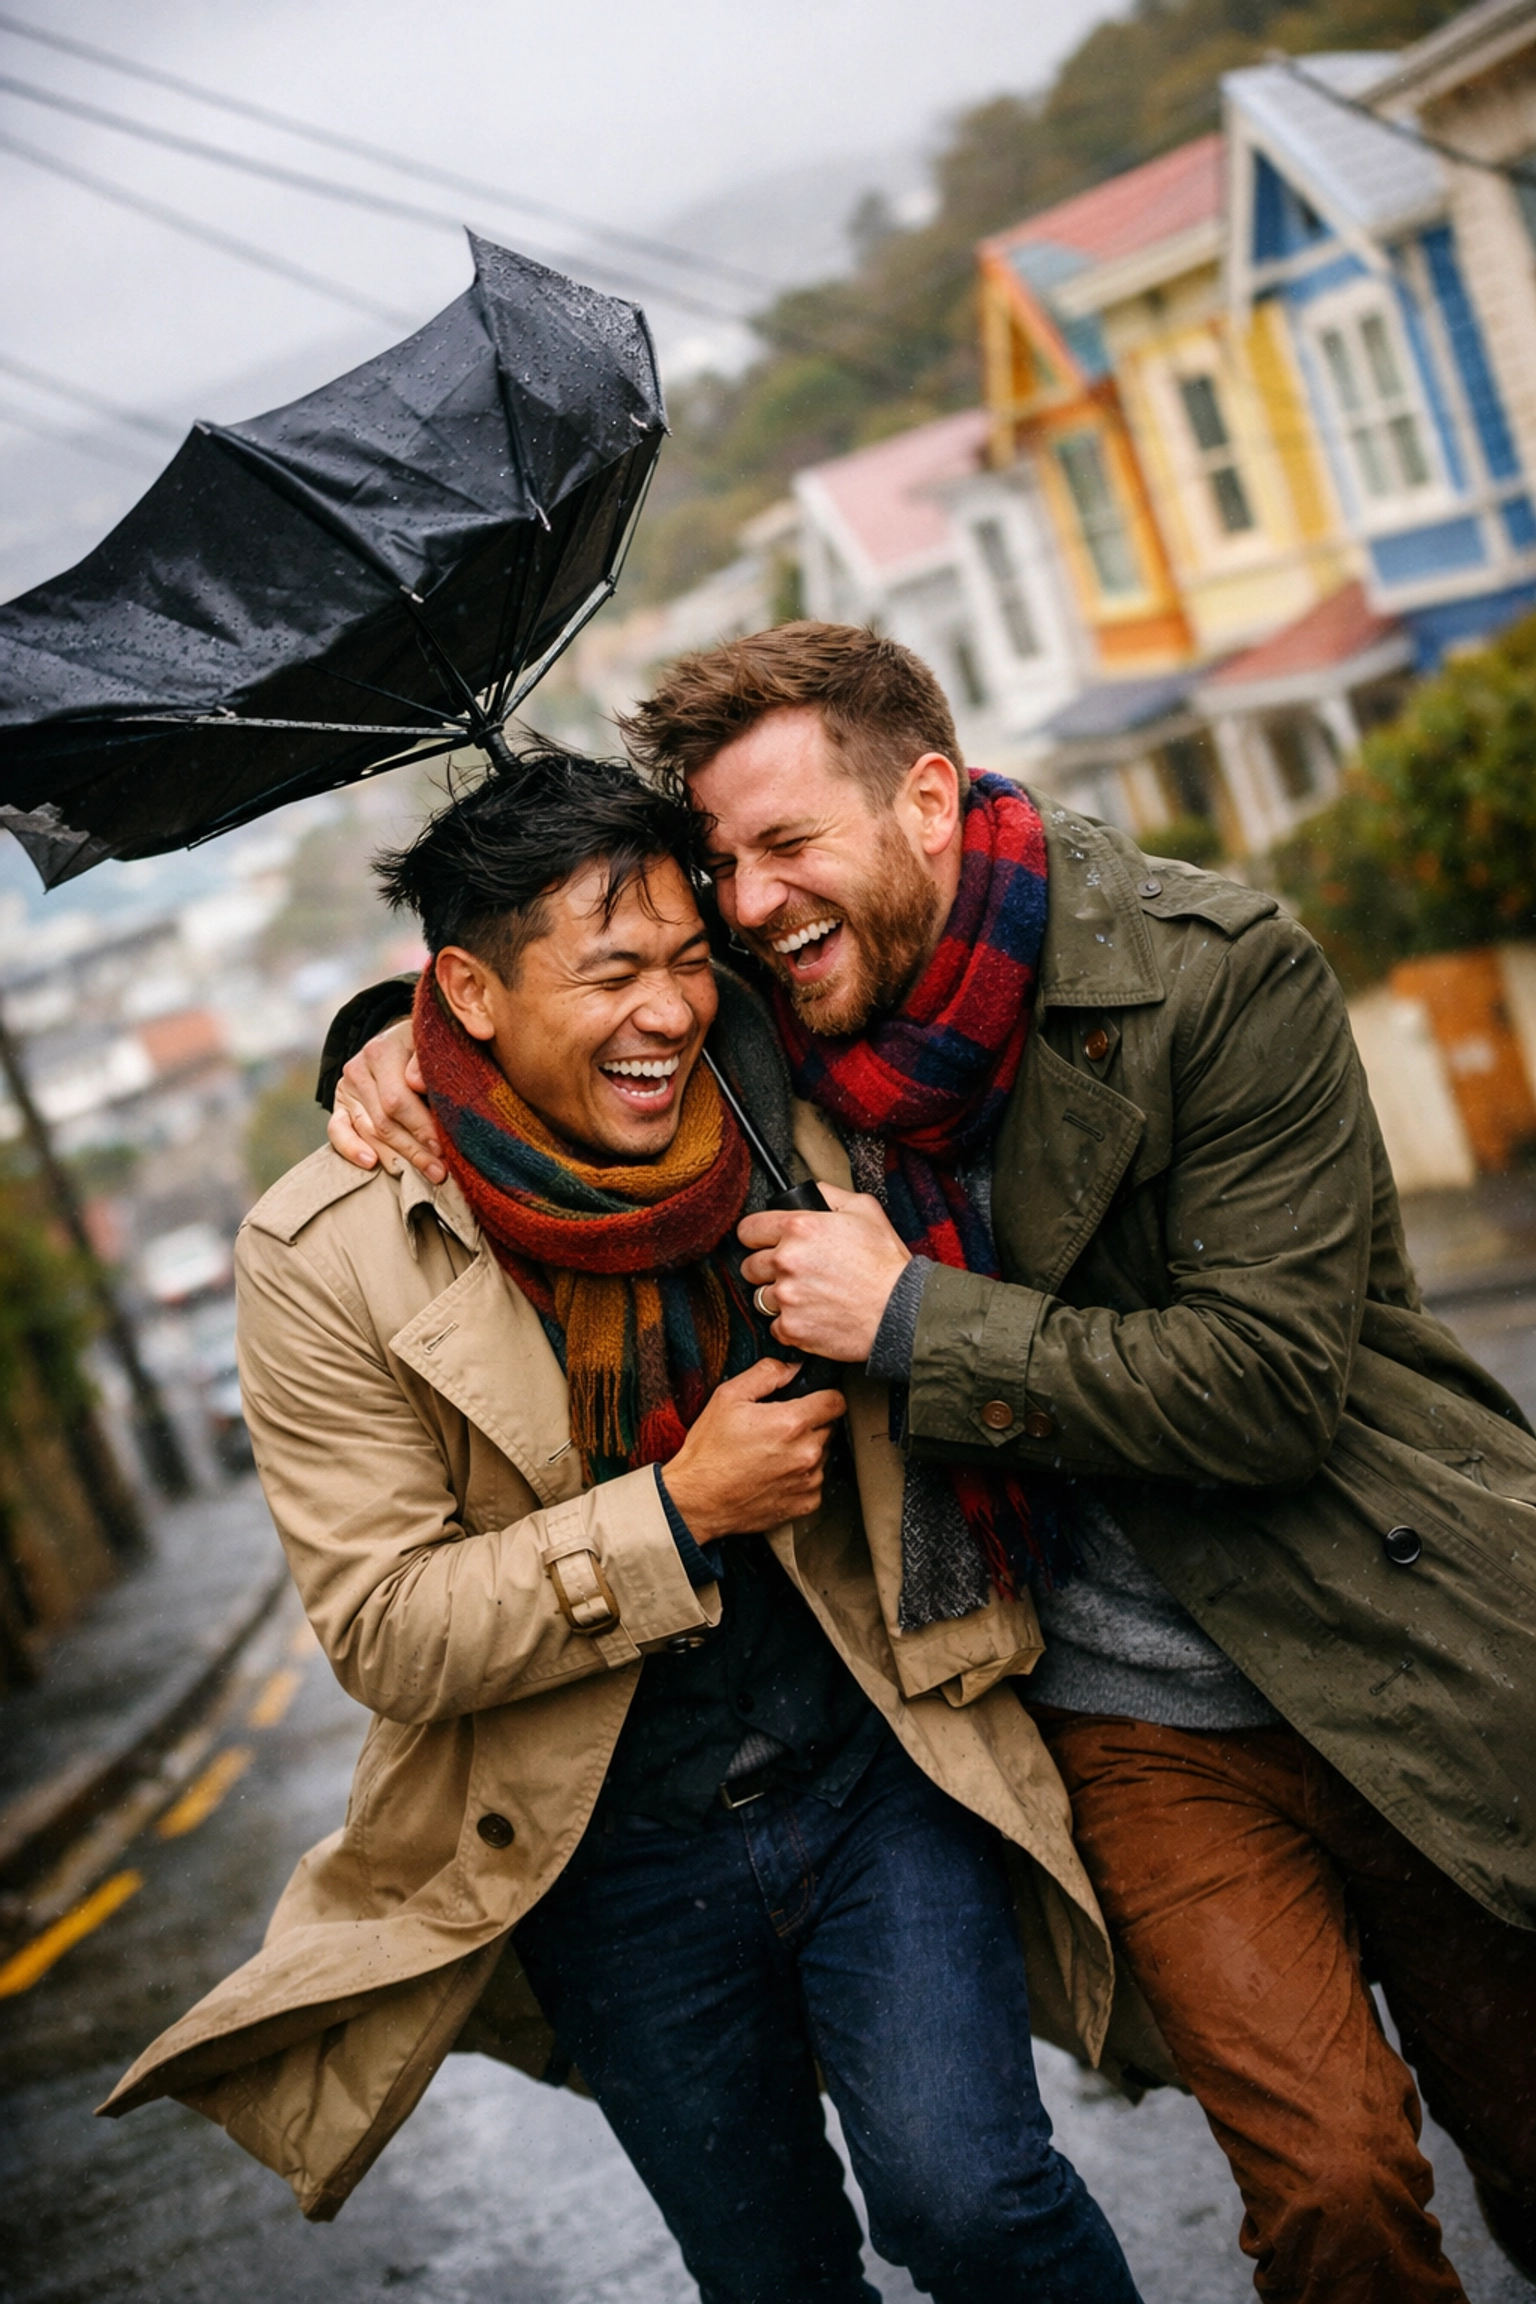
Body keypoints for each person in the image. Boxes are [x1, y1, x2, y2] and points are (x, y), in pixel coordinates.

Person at [330, 627, 1536, 2304]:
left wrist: (911, 1321)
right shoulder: (780, 1029)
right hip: (1141, 1722)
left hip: (1390, 1638)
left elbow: (1264, 1387)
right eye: (722, 864)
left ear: (926, 800)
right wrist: (399, 1047)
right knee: (1331, 2196)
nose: (745, 908)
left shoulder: (1216, 971)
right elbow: (569, 1005)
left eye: (784, 848)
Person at [102, 745, 1143, 2304]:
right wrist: (676, 1513)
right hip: (607, 1863)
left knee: (974, 2198)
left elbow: (929, 909)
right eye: (608, 975)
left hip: (872, 1769)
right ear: (463, 992)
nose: (666, 1012)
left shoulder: (777, 1088)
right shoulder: (319, 1258)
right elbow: (384, 1629)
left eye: (682, 961)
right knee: (773, 2273)